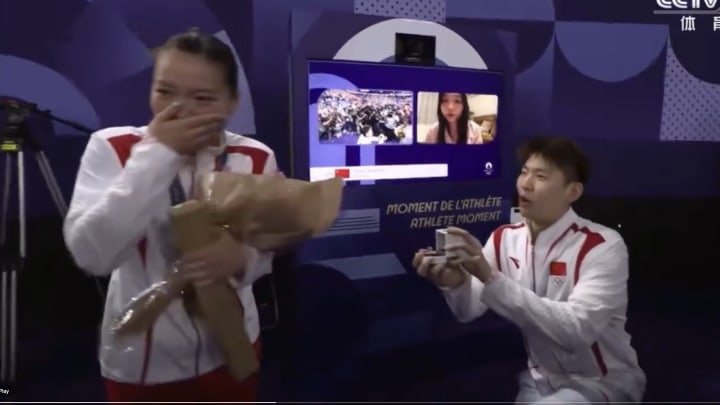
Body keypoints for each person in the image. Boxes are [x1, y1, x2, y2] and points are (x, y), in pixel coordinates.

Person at [63, 29, 277, 402]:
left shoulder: (256, 157)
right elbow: (92, 254)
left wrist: (244, 257)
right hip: (144, 367)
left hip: (234, 347)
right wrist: (158, 155)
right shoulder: (112, 148)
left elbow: (268, 243)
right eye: (165, 92)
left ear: (232, 103)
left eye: (203, 98)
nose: (179, 109)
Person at [413, 136, 645, 403]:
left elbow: (575, 332)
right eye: (524, 172)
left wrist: (488, 275)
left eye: (541, 177)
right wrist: (454, 282)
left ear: (573, 192)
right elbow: (468, 310)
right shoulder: (504, 238)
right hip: (539, 382)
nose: (526, 184)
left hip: (603, 384)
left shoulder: (601, 246)